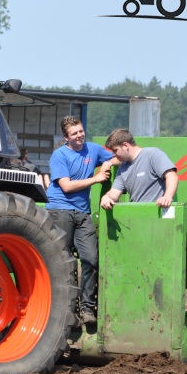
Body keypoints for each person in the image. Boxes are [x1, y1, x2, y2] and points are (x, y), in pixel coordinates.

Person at [45, 116, 115, 325]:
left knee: (90, 259)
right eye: (74, 133)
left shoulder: (92, 149)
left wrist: (107, 164)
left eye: (81, 131)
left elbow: (116, 157)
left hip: (83, 213)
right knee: (65, 261)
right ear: (66, 137)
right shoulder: (59, 155)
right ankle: (68, 309)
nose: (79, 136)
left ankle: (86, 308)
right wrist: (96, 178)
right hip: (61, 210)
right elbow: (66, 186)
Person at [100, 129, 178, 209]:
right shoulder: (122, 168)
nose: (113, 155)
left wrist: (167, 197)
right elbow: (114, 192)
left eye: (115, 150)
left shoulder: (153, 154)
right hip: (137, 215)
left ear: (125, 145)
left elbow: (172, 176)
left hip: (159, 213)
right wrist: (107, 197)